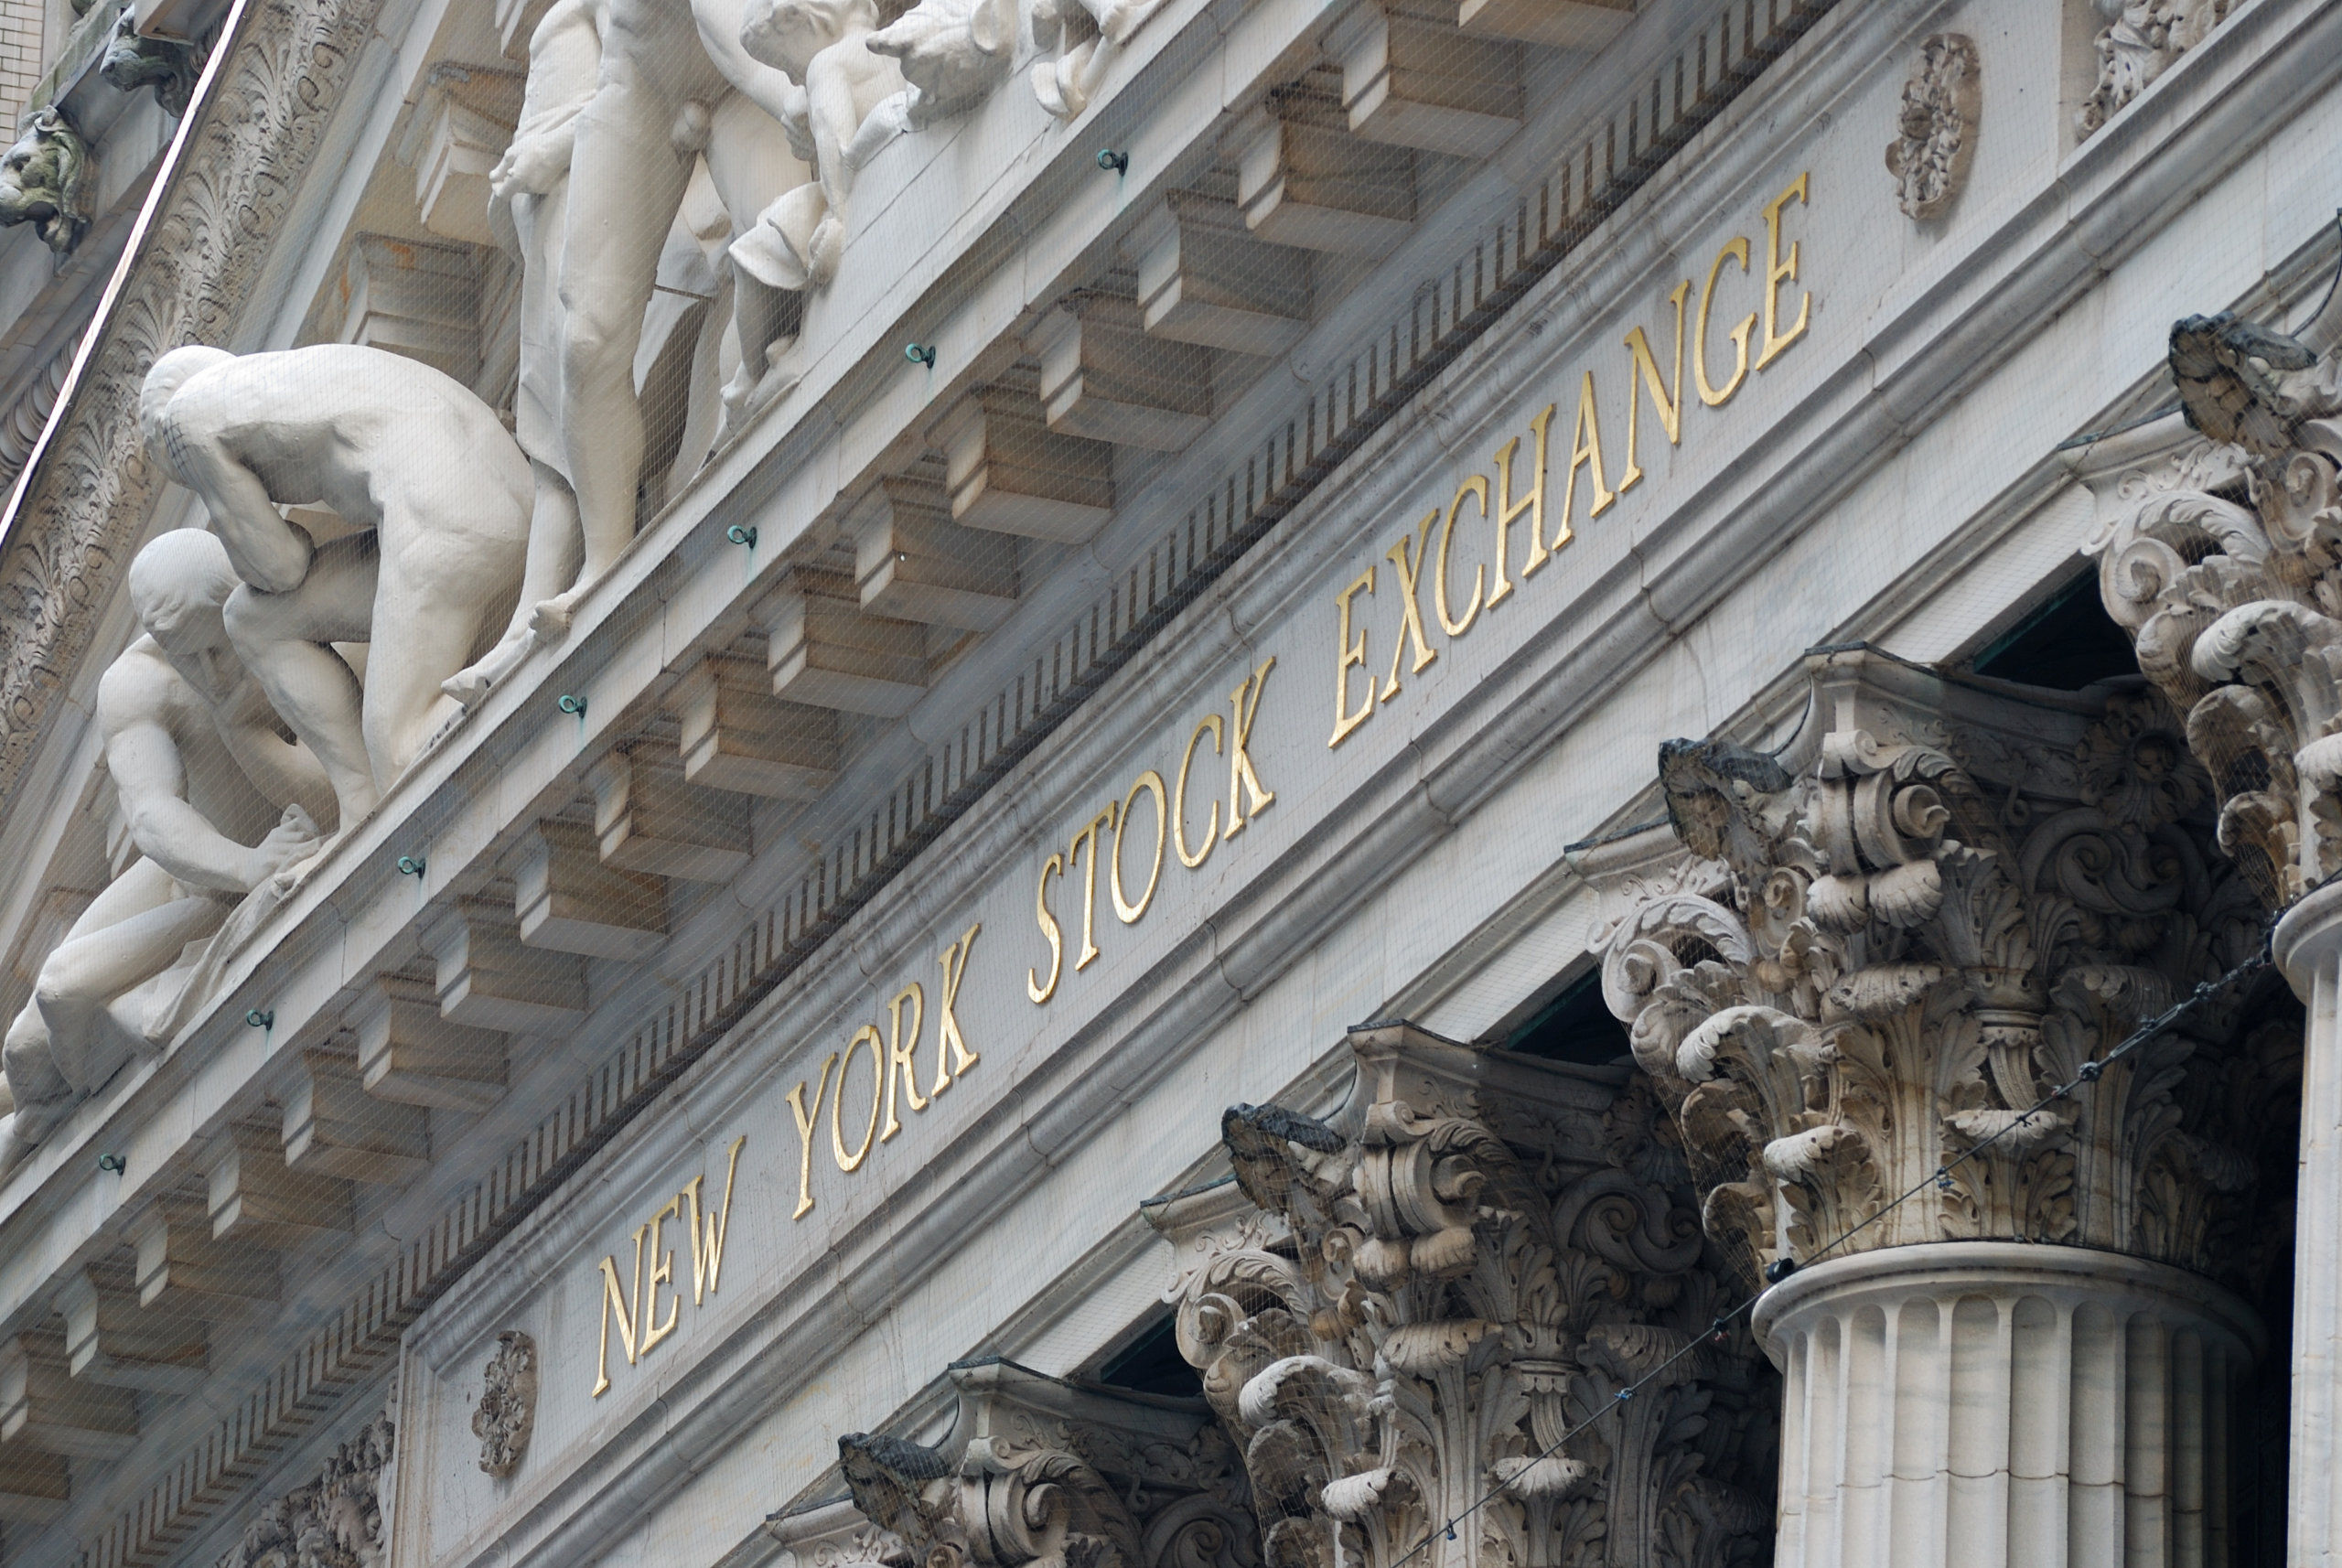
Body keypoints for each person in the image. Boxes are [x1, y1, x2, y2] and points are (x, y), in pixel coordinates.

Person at [2, 530, 332, 1165]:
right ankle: (35, 1121)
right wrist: (249, 866)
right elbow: (153, 817)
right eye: (187, 654)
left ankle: (33, 1119)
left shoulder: (282, 605)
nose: (211, 673)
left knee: (60, 1002)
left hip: (265, 847)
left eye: (213, 645)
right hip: (204, 873)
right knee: (32, 1035)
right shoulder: (137, 681)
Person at [139, 343, 532, 841]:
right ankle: (358, 807)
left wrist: (254, 535)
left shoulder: (183, 421)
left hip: (448, 523)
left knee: (398, 753)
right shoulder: (298, 372)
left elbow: (279, 567)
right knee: (254, 619)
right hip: (510, 497)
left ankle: (524, 670)